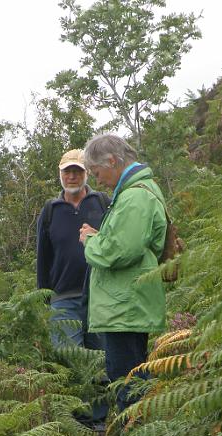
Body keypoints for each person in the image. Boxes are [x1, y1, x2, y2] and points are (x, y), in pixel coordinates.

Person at [79, 134, 167, 413]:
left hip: (125, 305)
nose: (97, 180)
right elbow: (127, 241)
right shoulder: (136, 193)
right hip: (128, 303)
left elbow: (118, 252)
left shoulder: (135, 196)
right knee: (132, 377)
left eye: (96, 172)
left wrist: (91, 242)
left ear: (112, 161)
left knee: (127, 380)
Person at [36, 148, 109, 350]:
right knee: (71, 365)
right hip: (63, 300)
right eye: (67, 172)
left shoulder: (103, 203)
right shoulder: (51, 211)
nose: (72, 177)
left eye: (77, 171)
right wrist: (43, 300)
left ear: (86, 173)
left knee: (103, 366)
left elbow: (115, 245)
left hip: (100, 297)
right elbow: (43, 258)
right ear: (60, 175)